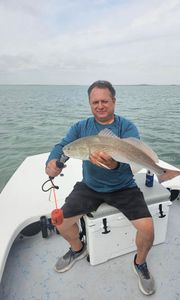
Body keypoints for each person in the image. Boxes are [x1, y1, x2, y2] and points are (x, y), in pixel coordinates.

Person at [45, 80, 155, 296]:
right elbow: (62, 147)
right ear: (89, 103)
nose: (100, 105)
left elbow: (134, 161)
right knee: (60, 222)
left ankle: (139, 262)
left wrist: (114, 165)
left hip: (124, 186)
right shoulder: (80, 127)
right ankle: (78, 249)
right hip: (90, 186)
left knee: (148, 229)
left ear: (114, 101)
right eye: (95, 102)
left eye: (105, 101)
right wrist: (52, 161)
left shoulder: (127, 127)